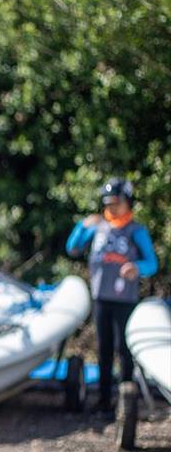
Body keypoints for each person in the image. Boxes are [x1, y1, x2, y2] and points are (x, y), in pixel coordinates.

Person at [66, 177, 157, 418]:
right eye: (108, 203)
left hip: (125, 299)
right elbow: (72, 248)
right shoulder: (98, 227)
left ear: (127, 203)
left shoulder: (136, 231)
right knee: (104, 349)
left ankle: (126, 404)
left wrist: (136, 267)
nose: (112, 207)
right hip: (101, 297)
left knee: (124, 350)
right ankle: (104, 401)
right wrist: (82, 226)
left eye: (116, 202)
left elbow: (152, 263)